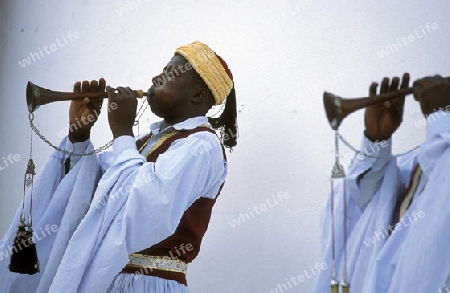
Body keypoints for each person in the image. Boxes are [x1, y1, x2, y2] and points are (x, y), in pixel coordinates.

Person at [0, 41, 237, 293]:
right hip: (105, 279)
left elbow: (148, 204)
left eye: (169, 74)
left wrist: (122, 131)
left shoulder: (202, 144)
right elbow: (94, 198)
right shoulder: (143, 143)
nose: (156, 77)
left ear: (198, 94)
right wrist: (79, 135)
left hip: (148, 283)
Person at [313, 73, 450, 292]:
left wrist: (441, 118)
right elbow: (365, 205)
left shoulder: (442, 147)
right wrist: (376, 142)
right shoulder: (425, 156)